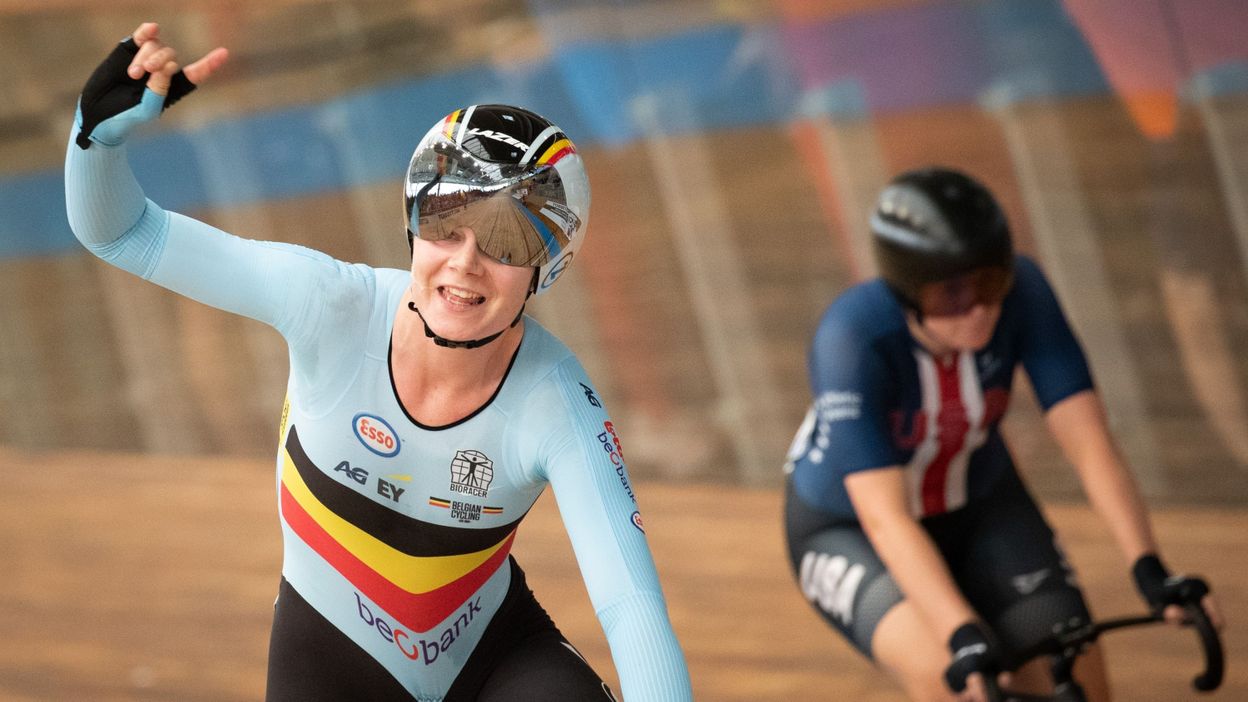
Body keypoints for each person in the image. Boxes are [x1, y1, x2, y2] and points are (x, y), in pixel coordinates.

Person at [65, 22, 693, 702]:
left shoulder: (556, 399)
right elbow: (123, 233)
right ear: (411, 225)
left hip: (496, 662)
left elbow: (633, 611)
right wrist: (94, 140)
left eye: (506, 243)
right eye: (445, 225)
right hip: (329, 667)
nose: (464, 263)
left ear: (549, 269)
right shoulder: (329, 305)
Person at [782, 166, 1224, 701]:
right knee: (951, 679)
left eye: (991, 283)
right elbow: (885, 517)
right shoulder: (852, 338)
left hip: (982, 504)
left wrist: (1149, 566)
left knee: (1075, 669)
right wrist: (961, 633)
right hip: (846, 528)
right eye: (951, 295)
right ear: (907, 294)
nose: (979, 309)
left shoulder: (1026, 292)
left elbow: (1089, 443)